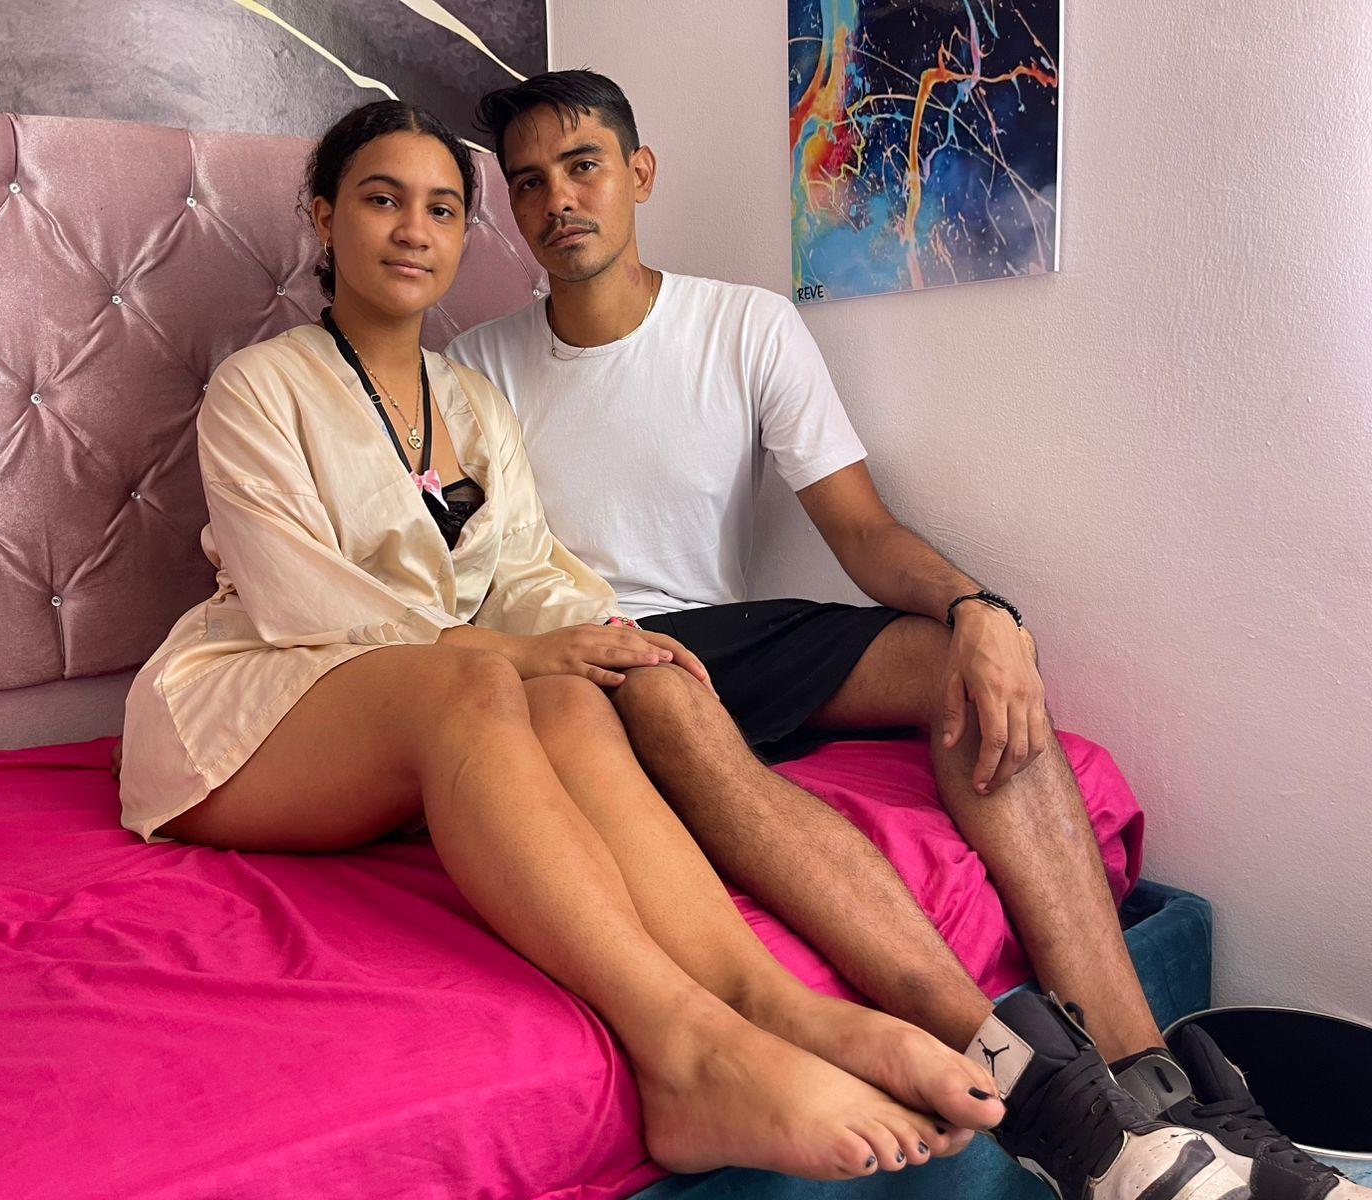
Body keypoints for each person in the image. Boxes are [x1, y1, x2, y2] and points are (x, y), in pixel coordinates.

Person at [446, 69, 1355, 1200]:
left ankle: (1151, 1086)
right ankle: (1036, 1090)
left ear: (638, 174)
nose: (557, 201)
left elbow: (863, 530)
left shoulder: (745, 324)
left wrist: (981, 612)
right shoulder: (473, 367)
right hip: (591, 654)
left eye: (581, 167)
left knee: (957, 667)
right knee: (662, 682)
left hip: (730, 631)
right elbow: (454, 573)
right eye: (528, 183)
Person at [113, 98, 1005, 1184]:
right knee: (481, 688)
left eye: (443, 209)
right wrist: (514, 654)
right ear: (323, 216)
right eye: (382, 200)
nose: (413, 230)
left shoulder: (471, 402)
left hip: (406, 707)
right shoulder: (260, 388)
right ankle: (685, 1051)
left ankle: (770, 1003)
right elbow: (303, 602)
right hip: (251, 706)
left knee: (574, 695)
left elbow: (525, 569)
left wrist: (605, 640)